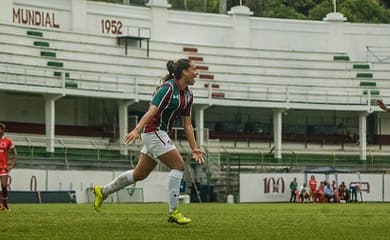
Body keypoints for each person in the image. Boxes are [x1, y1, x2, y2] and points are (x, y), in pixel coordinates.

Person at [92, 59, 205, 225]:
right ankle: (174, 212)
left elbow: (187, 124)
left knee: (139, 174)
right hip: (153, 132)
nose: (197, 73)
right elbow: (151, 112)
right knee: (179, 166)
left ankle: (103, 191)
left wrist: (194, 148)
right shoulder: (167, 88)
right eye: (194, 69)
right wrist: (137, 129)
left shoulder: (188, 95)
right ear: (185, 72)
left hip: (160, 134)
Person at [0, 122, 17, 211]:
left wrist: (11, 165)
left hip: (3, 167)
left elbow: (15, 153)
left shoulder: (8, 141)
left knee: (4, 186)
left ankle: (5, 204)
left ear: (3, 131)